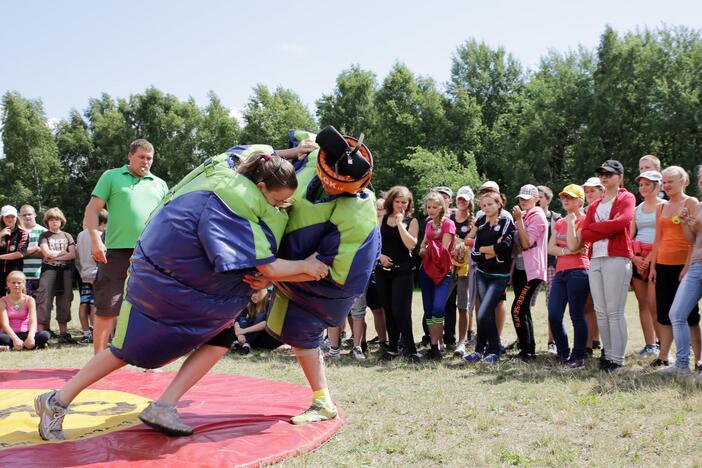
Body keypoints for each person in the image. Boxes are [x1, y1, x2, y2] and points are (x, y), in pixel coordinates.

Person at [34, 147, 328, 440]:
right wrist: (306, 266)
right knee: (125, 350)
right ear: (261, 186)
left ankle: (164, 405)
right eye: (276, 201)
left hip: (191, 286)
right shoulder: (234, 197)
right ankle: (57, 400)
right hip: (165, 286)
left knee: (221, 337)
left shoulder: (237, 172)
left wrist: (295, 151)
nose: (278, 207)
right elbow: (267, 267)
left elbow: (262, 153)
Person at [264, 126, 381, 424]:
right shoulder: (318, 154)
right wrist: (294, 150)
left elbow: (317, 270)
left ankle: (322, 402)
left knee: (304, 332)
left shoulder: (354, 216)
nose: (332, 190)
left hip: (329, 283)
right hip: (291, 262)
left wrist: (270, 274)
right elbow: (283, 146)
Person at [86, 139, 169, 353]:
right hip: (116, 252)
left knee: (152, 307)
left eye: (149, 158)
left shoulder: (160, 184)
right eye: (141, 157)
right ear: (130, 156)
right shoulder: (112, 176)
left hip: (151, 253)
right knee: (107, 305)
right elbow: (92, 210)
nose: (146, 162)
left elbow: (168, 219)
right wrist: (96, 240)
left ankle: (150, 358)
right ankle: (98, 358)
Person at [576, 160, 635, 372]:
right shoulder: (593, 205)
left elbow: (624, 221)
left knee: (614, 311)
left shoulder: (626, 197)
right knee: (601, 311)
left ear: (619, 177)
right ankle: (608, 356)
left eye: (609, 174)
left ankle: (617, 359)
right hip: (596, 259)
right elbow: (585, 233)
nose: (604, 177)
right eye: (602, 173)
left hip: (617, 257)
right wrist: (608, 227)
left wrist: (597, 228)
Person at [649, 166, 700, 369]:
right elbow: (658, 239)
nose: (667, 185)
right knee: (666, 314)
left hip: (686, 265)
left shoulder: (691, 202)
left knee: (690, 317)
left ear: (683, 181)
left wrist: (687, 266)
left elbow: (696, 239)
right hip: (663, 265)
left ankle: (698, 360)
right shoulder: (661, 207)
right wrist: (653, 266)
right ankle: (666, 357)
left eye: (671, 181)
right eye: (664, 181)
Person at [464, 191, 515, 364]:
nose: (486, 208)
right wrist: (491, 248)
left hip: (499, 276)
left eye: (490, 204)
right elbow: (476, 253)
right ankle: (481, 351)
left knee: (484, 312)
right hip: (482, 274)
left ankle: (493, 350)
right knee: (484, 313)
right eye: (483, 205)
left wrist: (489, 248)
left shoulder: (507, 221)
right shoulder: (481, 224)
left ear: (499, 204)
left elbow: (505, 246)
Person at [547, 184, 590, 369]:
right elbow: (550, 248)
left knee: (576, 315)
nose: (566, 200)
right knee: (554, 314)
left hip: (579, 271)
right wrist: (566, 251)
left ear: (580, 201)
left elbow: (574, 245)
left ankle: (578, 356)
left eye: (570, 197)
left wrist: (572, 223)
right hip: (561, 272)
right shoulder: (559, 222)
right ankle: (563, 353)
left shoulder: (585, 221)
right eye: (564, 197)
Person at [376, 186, 420, 362]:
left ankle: (410, 349)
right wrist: (379, 256)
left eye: (404, 202)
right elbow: (374, 242)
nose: (401, 205)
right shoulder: (382, 218)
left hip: (402, 271)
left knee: (401, 310)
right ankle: (393, 347)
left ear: (409, 203)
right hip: (382, 271)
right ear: (391, 201)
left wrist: (400, 223)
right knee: (388, 309)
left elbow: (411, 245)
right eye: (397, 201)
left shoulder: (412, 221)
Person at [510, 184, 548, 360]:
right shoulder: (524, 215)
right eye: (521, 198)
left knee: (517, 309)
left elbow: (526, 243)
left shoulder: (538, 216)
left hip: (531, 272)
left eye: (527, 198)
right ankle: (528, 349)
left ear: (536, 199)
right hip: (519, 269)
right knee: (523, 310)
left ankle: (527, 350)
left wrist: (518, 220)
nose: (523, 201)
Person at [630, 171, 663, 360]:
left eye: (647, 184)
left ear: (657, 186)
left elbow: (666, 235)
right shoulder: (638, 208)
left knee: (654, 305)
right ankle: (650, 345)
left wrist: (651, 257)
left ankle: (663, 345)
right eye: (641, 185)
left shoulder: (664, 206)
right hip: (638, 259)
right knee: (643, 304)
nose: (643, 188)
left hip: (658, 259)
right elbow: (630, 235)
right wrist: (635, 258)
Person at [419, 191, 456, 359]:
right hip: (426, 269)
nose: (431, 210)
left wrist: (428, 249)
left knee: (438, 307)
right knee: (428, 309)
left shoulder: (449, 224)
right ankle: (434, 346)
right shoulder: (428, 224)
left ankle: (439, 344)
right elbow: (423, 244)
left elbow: (444, 251)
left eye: (435, 207)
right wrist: (422, 248)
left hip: (442, 271)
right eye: (429, 207)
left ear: (442, 207)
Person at [35, 208, 76, 343]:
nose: (54, 222)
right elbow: (46, 253)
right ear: (47, 221)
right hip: (49, 271)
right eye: (51, 220)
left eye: (57, 219)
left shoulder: (67, 236)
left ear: (61, 221)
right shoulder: (44, 236)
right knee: (44, 300)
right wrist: (63, 253)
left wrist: (56, 255)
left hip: (65, 272)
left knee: (65, 301)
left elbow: (73, 254)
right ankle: (41, 334)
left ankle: (63, 333)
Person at [448, 186, 475, 357]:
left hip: (465, 268)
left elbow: (475, 241)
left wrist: (463, 244)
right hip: (448, 267)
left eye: (465, 199)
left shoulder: (474, 221)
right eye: (459, 198)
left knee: (462, 307)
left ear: (470, 201)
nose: (461, 202)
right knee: (442, 303)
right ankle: (441, 340)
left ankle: (461, 342)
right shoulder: (449, 217)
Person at [74, 210, 108, 344]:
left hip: (84, 274)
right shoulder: (100, 235)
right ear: (102, 222)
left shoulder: (81, 235)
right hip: (97, 273)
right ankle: (96, 333)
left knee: (84, 303)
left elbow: (77, 257)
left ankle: (86, 332)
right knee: (96, 304)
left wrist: (81, 270)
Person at [535, 186, 562, 354]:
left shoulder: (556, 219)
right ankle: (523, 338)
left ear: (548, 199)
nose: (537, 200)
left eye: (540, 197)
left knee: (552, 305)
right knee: (524, 305)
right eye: (535, 197)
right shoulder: (528, 216)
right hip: (533, 267)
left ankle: (552, 342)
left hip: (551, 266)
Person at [581, 177, 604, 354]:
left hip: (606, 259)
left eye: (592, 191)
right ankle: (590, 343)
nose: (589, 194)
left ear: (602, 191)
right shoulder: (583, 212)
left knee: (604, 306)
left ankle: (604, 342)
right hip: (587, 261)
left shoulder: (607, 210)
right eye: (587, 191)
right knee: (588, 304)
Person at [0, 271, 50, 351]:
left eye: (19, 283)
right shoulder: (2, 301)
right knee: (1, 337)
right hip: (9, 335)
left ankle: (12, 347)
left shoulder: (29, 300)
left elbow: (33, 321)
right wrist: (15, 339)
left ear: (23, 284)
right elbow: (5, 324)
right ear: (8, 284)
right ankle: (26, 346)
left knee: (45, 335)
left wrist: (30, 337)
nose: (16, 285)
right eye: (13, 283)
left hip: (26, 333)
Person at [233, 288, 280, 354]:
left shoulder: (269, 303)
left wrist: (244, 331)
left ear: (263, 293)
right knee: (242, 319)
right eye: (251, 293)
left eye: (256, 293)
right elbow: (237, 320)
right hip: (254, 338)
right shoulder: (249, 305)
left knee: (261, 316)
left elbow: (266, 324)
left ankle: (245, 342)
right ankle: (245, 345)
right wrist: (239, 334)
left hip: (267, 338)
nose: (253, 295)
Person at [19, 205, 47, 297]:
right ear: (20, 216)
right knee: (24, 306)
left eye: (29, 214)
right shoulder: (17, 232)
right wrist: (36, 248)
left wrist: (23, 253)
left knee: (42, 306)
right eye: (24, 215)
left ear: (35, 214)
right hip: (21, 276)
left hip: (41, 275)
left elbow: (46, 253)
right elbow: (15, 253)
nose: (27, 217)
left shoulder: (44, 232)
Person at [1, 205, 29, 292]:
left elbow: (20, 253)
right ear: (2, 218)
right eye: (7, 217)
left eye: (12, 217)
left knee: (14, 302)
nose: (10, 219)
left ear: (16, 218)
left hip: (15, 274)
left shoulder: (23, 233)